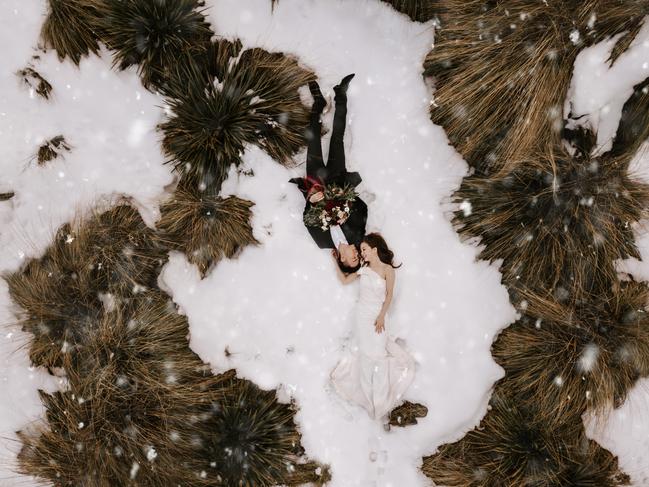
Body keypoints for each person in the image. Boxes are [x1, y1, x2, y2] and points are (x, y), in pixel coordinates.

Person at [329, 233, 416, 421]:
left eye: (364, 250)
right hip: (362, 315)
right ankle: (370, 401)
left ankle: (382, 402)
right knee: (367, 357)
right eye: (361, 251)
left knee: (379, 356)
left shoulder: (387, 270)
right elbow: (344, 280)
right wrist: (337, 261)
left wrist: (382, 317)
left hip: (378, 315)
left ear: (374, 250)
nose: (362, 254)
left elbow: (389, 296)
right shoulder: (364, 268)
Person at [289, 74, 368, 273]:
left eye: (353, 260)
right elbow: (362, 208)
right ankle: (341, 94)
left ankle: (318, 102)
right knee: (337, 138)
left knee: (312, 140)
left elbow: (307, 219)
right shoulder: (357, 235)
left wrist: (312, 200)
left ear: (342, 259)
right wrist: (346, 202)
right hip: (337, 178)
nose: (356, 255)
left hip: (315, 183)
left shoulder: (322, 242)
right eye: (358, 257)